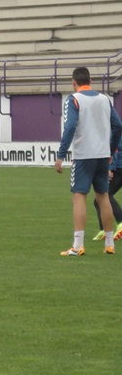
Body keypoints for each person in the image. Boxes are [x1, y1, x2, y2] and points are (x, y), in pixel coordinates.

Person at [55, 66, 122, 256]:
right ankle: (110, 244)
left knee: (79, 196)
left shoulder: (73, 100)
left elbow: (69, 128)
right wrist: (110, 149)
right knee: (103, 196)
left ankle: (78, 246)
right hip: (102, 155)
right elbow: (118, 126)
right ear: (91, 81)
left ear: (73, 83)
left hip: (84, 155)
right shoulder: (105, 99)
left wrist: (61, 155)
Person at [91, 138, 122, 241]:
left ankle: (120, 223)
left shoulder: (110, 129)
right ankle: (104, 230)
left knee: (105, 196)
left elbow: (114, 149)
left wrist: (110, 168)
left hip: (118, 168)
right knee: (98, 201)